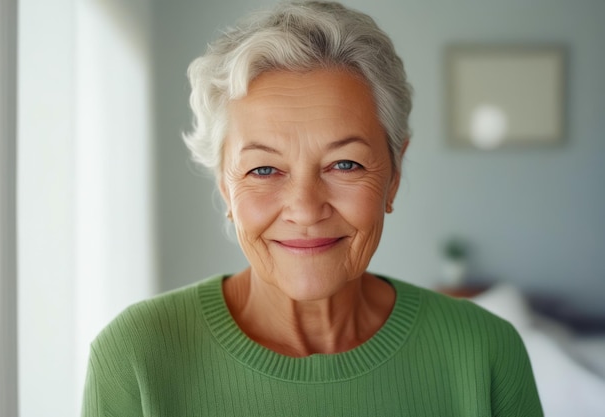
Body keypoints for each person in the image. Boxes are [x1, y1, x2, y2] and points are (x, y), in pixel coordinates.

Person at [82, 1, 543, 416]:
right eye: (263, 170)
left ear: (394, 176)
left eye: (344, 163)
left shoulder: (487, 353)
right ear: (225, 188)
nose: (305, 209)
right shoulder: (135, 357)